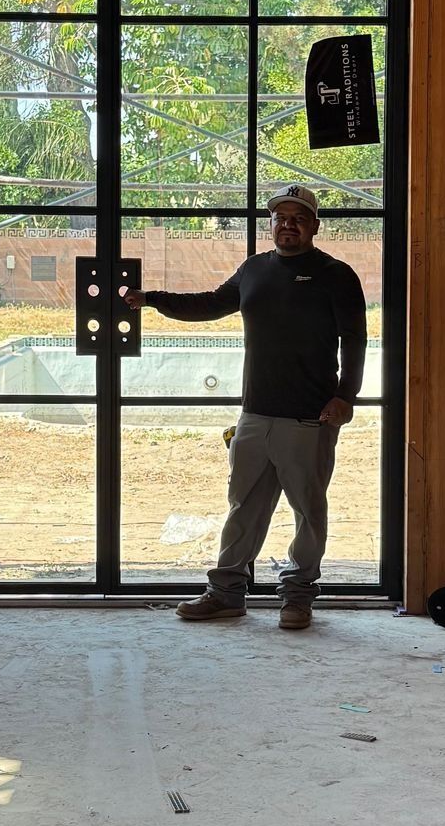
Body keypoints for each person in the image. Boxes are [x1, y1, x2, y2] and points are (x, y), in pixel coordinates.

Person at [124, 186, 367, 631]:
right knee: (244, 507)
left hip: (309, 417)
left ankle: (297, 598)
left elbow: (355, 339)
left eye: (298, 217)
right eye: (280, 217)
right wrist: (152, 298)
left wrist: (346, 396)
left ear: (314, 225)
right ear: (270, 224)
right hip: (255, 415)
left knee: (308, 513)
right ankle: (226, 593)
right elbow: (211, 304)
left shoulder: (336, 275)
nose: (288, 224)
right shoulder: (254, 269)